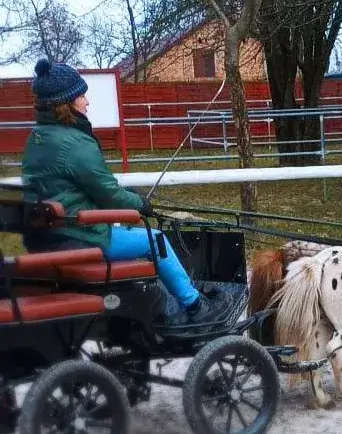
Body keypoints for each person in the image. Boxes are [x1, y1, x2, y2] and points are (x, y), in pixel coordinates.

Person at [20, 59, 227, 324]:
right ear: (66, 103)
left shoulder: (38, 137)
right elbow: (108, 195)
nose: (87, 102)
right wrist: (139, 203)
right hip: (78, 236)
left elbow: (78, 187)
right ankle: (195, 307)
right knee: (155, 240)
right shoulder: (73, 143)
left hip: (45, 236)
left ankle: (166, 301)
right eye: (82, 96)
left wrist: (124, 195)